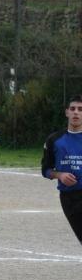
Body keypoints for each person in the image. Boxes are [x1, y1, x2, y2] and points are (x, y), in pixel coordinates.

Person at [41, 95, 82, 244]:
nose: (76, 112)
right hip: (69, 198)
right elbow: (46, 170)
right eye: (73, 108)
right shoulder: (54, 140)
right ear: (67, 112)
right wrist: (60, 175)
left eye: (80, 109)